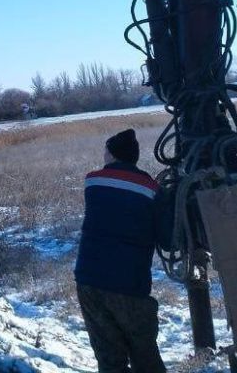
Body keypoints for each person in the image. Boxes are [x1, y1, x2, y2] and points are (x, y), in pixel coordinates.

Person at [74, 128, 168, 373]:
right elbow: (168, 241)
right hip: (129, 284)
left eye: (106, 151)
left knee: (109, 359)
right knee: (145, 357)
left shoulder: (92, 181)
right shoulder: (152, 190)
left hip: (89, 279)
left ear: (112, 154)